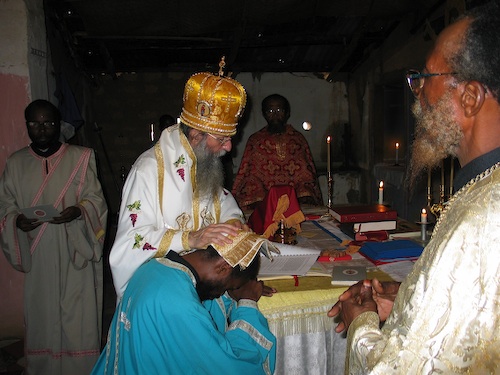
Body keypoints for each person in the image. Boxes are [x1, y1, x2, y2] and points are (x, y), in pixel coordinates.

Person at [328, 2, 500, 374]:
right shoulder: (485, 190)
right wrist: (407, 300)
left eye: (424, 77)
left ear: (469, 97)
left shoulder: (483, 216)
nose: (416, 92)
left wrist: (361, 321)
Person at [109, 67, 252, 299]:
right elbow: (130, 244)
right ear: (196, 135)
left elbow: (221, 199)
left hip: (205, 286)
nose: (228, 147)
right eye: (222, 139)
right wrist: (190, 238)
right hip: (163, 295)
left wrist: (232, 223)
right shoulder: (148, 171)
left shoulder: (203, 161)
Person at [0, 99, 108, 375]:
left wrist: (79, 211)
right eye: (35, 123)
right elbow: (5, 206)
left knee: (77, 313)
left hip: (75, 249)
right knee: (43, 313)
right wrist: (16, 221)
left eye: (48, 122)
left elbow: (96, 200)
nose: (42, 129)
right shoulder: (15, 163)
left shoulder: (81, 157)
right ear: (27, 125)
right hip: (39, 252)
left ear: (58, 124)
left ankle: (80, 368)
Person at [92, 231, 277, 374]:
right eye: (228, 287)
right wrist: (247, 303)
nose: (222, 293)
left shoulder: (154, 267)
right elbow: (227, 365)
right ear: (223, 267)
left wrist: (234, 291)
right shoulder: (180, 305)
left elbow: (207, 297)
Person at [232, 94, 323, 210]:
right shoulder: (255, 140)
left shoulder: (298, 139)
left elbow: (306, 174)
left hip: (295, 196)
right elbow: (249, 174)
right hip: (263, 198)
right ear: (264, 114)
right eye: (270, 110)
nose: (275, 114)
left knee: (306, 195)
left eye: (279, 110)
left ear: (287, 113)